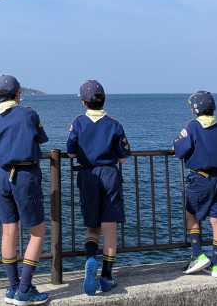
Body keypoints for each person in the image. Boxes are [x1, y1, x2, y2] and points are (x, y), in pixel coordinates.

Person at [0, 74, 51, 304]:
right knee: (37, 233)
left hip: (2, 177)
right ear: (18, 94)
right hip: (25, 176)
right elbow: (39, 142)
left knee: (8, 232)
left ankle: (12, 288)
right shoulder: (29, 115)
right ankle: (25, 289)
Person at [66, 79, 131, 295]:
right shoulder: (115, 124)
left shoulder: (78, 123)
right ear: (104, 100)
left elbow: (71, 153)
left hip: (88, 175)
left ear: (83, 102)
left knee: (92, 228)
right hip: (110, 175)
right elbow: (123, 159)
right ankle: (106, 276)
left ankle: (91, 259)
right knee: (109, 229)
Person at [173, 90, 217, 279]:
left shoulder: (193, 126)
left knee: (191, 215)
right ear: (214, 108)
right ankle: (216, 265)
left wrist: (176, 147)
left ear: (193, 110)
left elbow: (180, 149)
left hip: (200, 178)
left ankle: (198, 255)